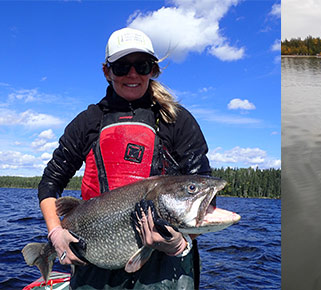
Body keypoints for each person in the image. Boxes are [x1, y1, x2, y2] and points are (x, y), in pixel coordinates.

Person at [38, 27, 212, 289]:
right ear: (107, 71)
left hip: (164, 267)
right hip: (95, 263)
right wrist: (55, 233)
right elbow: (50, 183)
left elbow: (203, 193)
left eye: (141, 66)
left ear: (153, 70)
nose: (132, 74)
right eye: (121, 67)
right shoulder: (87, 123)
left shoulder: (177, 121)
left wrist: (178, 243)